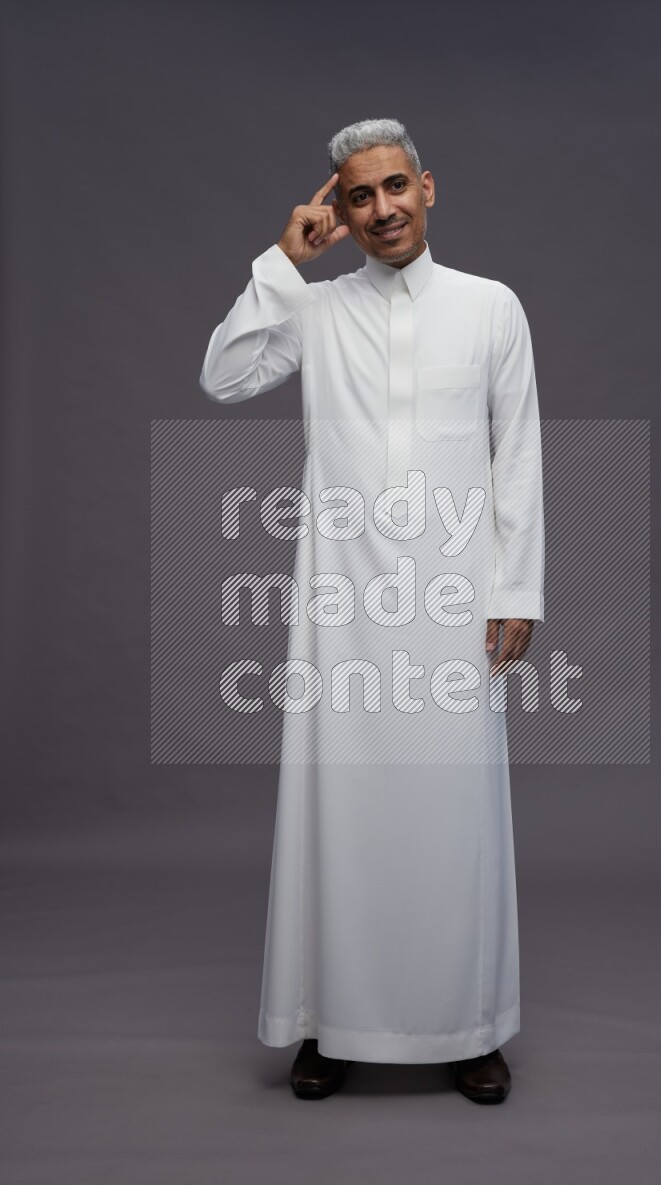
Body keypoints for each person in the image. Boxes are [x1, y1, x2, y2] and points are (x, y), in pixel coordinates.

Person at [199, 118, 544, 1104]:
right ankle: (330, 1023)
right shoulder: (314, 311)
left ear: (427, 187)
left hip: (453, 601)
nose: (382, 208)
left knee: (455, 816)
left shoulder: (490, 307)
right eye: (360, 196)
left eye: (395, 187)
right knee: (339, 816)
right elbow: (222, 376)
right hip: (340, 607)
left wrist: (516, 589)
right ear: (341, 214)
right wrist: (281, 263)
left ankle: (468, 1027)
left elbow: (516, 452)